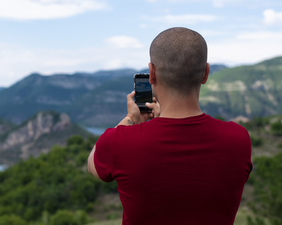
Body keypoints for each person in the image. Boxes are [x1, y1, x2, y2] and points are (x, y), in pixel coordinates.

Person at [87, 27, 252, 225]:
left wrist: (131, 119)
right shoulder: (238, 139)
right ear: (206, 73)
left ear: (152, 74)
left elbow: (92, 165)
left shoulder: (120, 142)